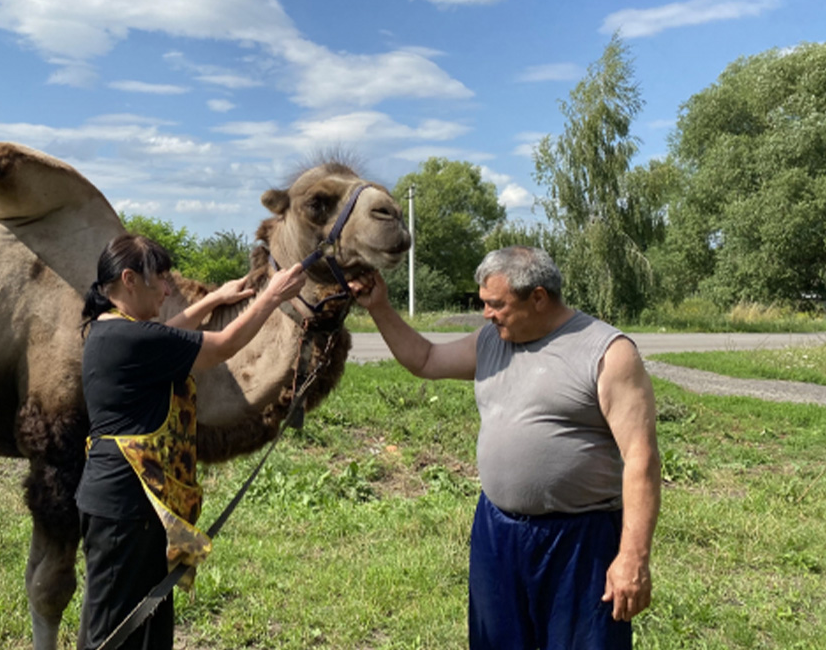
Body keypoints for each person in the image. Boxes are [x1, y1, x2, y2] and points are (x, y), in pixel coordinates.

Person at [351, 246, 661, 650]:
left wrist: (633, 557)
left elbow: (641, 458)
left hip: (580, 542)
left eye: (496, 304)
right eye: (484, 303)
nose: (487, 314)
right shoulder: (491, 342)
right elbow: (424, 359)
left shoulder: (607, 352)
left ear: (538, 297)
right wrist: (380, 308)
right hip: (498, 533)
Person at [76, 233, 306, 650]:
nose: (167, 290)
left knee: (142, 622)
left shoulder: (113, 332)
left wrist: (214, 299)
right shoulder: (130, 338)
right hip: (128, 506)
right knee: (113, 633)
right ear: (129, 279)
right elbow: (222, 347)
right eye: (159, 280)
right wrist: (271, 297)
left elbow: (167, 333)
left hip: (130, 504)